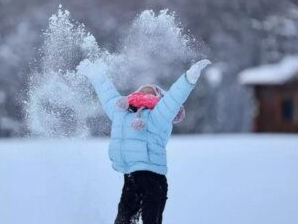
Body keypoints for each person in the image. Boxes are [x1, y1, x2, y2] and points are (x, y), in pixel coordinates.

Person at [76, 58, 211, 224]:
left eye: (151, 92)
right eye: (142, 91)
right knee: (123, 220)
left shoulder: (159, 115)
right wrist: (95, 74)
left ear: (159, 97)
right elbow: (107, 94)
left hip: (154, 181)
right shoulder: (122, 114)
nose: (146, 93)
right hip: (131, 178)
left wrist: (188, 78)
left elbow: (174, 98)